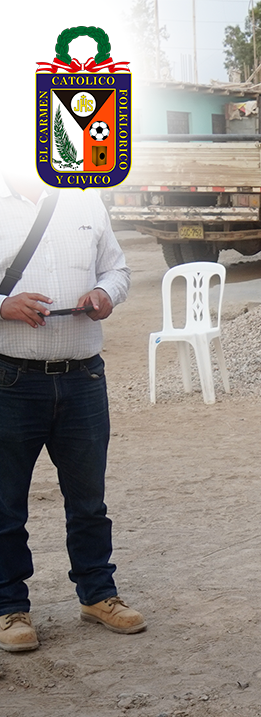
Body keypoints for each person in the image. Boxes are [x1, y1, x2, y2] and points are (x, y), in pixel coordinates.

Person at [0, 172, 142, 653]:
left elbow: (117, 271)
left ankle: (98, 594)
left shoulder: (85, 201)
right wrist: (3, 305)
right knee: (5, 504)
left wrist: (105, 296)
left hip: (84, 379)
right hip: (11, 381)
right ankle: (9, 607)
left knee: (88, 500)